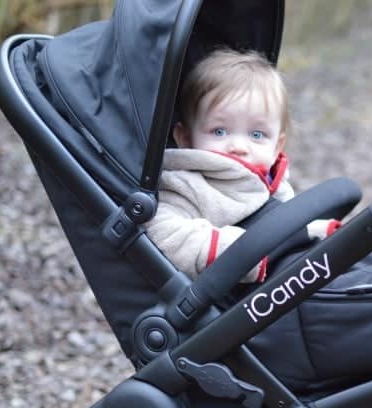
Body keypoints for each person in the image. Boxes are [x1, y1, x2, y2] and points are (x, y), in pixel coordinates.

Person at [144, 48, 340, 283]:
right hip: (233, 301)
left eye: (257, 134)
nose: (238, 146)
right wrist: (242, 251)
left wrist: (317, 231)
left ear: (277, 146)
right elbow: (164, 233)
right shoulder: (187, 185)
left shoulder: (272, 183)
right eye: (219, 131)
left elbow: (284, 230)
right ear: (185, 137)